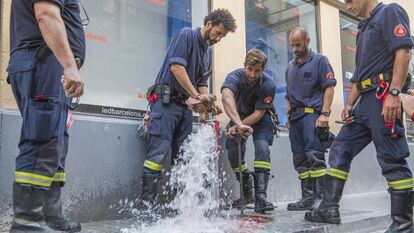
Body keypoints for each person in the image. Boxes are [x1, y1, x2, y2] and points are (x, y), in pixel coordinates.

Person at [305, 1, 413, 232]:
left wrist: (394, 93)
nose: (347, 4)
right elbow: (358, 75)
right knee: (339, 148)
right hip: (363, 102)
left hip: (383, 96)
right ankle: (329, 208)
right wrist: (349, 104)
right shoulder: (363, 28)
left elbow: (403, 51)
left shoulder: (390, 11)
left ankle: (404, 224)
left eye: (350, 0)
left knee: (392, 159)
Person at [141, 9, 237, 214]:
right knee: (157, 154)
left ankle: (177, 207)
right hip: (165, 103)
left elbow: (202, 81)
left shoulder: (208, 52)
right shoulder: (186, 35)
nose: (218, 39)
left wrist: (206, 104)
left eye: (222, 36)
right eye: (218, 33)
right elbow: (176, 67)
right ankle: (146, 207)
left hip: (184, 107)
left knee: (181, 158)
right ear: (209, 23)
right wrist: (197, 95)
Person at [7, 0, 86, 232]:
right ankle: (27, 221)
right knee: (42, 141)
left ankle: (50, 216)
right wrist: (70, 67)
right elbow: (47, 15)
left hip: (47, 64)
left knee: (55, 143)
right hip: (42, 61)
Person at [285, 27, 336, 211]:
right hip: (295, 118)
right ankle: (307, 198)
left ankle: (320, 199)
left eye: (298, 44)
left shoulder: (320, 61)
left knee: (315, 157)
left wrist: (325, 114)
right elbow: (289, 95)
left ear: (307, 41)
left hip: (312, 116)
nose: (295, 49)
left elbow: (329, 88)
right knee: (300, 159)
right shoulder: (290, 66)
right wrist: (288, 116)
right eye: (292, 45)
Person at [221, 48, 277, 214]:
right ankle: (248, 192)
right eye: (249, 69)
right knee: (233, 152)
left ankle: (261, 197)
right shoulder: (234, 77)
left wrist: (237, 125)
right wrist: (237, 124)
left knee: (262, 149)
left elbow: (259, 113)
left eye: (257, 71)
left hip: (262, 119)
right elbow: (226, 97)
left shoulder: (269, 85)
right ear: (244, 65)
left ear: (263, 69)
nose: (252, 74)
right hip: (238, 118)